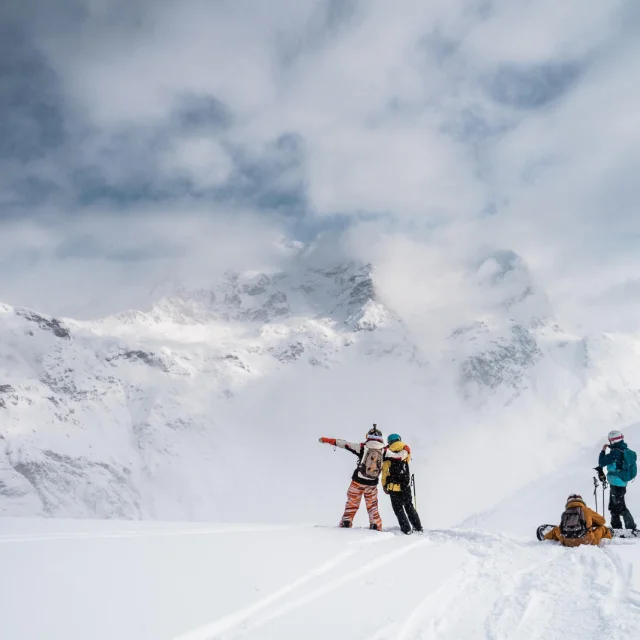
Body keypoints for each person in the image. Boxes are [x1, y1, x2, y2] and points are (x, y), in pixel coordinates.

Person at [319, 425, 386, 530]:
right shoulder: (384, 451)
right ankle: (375, 525)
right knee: (372, 506)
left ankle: (346, 522)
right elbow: (399, 456)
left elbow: (344, 444)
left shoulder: (362, 447)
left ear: (368, 436)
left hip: (357, 481)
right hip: (372, 484)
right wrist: (406, 450)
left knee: (352, 503)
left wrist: (327, 440)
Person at [381, 433, 423, 535]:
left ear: (389, 442)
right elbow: (408, 460)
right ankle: (418, 527)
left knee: (398, 509)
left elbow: (385, 471)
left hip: (393, 487)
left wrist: (384, 485)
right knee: (409, 506)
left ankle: (406, 529)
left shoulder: (387, 452)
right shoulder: (405, 449)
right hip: (405, 485)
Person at [598, 430, 637, 532]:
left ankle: (631, 527)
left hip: (617, 483)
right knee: (613, 506)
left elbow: (601, 462)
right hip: (618, 482)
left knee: (620, 507)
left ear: (612, 441)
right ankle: (617, 527)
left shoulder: (616, 452)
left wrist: (603, 451)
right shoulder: (622, 450)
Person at [543, 494, 612, 547]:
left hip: (567, 542)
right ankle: (609, 538)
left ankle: (545, 536)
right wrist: (591, 523)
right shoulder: (587, 510)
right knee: (603, 528)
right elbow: (602, 521)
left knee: (556, 529)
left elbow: (561, 528)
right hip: (587, 541)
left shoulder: (565, 513)